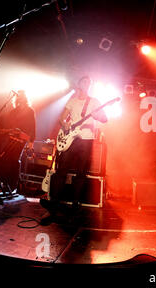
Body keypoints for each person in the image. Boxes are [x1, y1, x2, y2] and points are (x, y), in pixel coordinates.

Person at [40, 76, 107, 225]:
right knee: (61, 170)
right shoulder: (73, 101)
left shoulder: (95, 102)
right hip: (71, 139)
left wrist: (98, 116)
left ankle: (76, 203)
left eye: (89, 82)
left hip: (86, 140)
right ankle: (54, 202)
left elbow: (105, 119)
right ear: (79, 84)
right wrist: (64, 125)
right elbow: (62, 118)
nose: (87, 84)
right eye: (84, 81)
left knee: (81, 173)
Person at [0, 90, 36, 192]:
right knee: (5, 159)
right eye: (19, 96)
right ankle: (5, 183)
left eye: (22, 96)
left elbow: (32, 127)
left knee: (14, 159)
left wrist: (31, 142)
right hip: (11, 138)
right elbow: (8, 125)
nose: (20, 98)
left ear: (25, 98)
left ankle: (13, 185)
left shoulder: (30, 111)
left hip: (22, 139)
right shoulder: (14, 111)